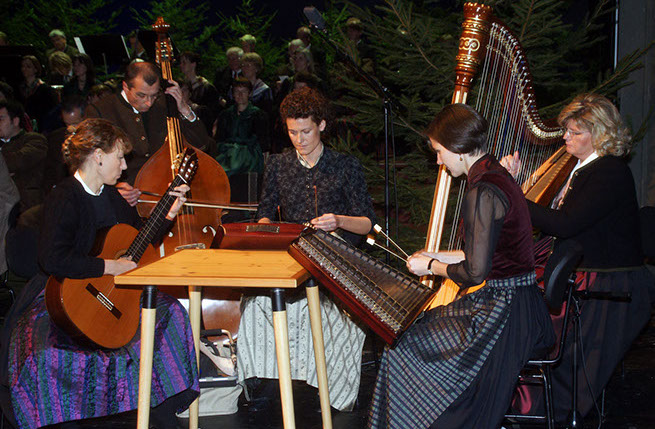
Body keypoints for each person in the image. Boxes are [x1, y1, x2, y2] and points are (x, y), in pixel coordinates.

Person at [0, 118, 198, 429]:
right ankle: (58, 416)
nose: (124, 166)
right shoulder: (64, 196)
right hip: (64, 292)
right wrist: (109, 266)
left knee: (171, 313)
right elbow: (52, 259)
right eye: (119, 157)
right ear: (98, 156)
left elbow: (137, 243)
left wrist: (167, 215)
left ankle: (157, 408)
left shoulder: (112, 196)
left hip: (112, 289)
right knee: (45, 349)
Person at [367, 104, 555, 429]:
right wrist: (435, 255)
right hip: (518, 303)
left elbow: (475, 272)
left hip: (507, 314)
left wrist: (432, 267)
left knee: (402, 351)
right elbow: (484, 253)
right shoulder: (496, 174)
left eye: (439, 152)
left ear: (457, 147)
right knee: (413, 337)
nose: (438, 160)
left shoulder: (482, 191)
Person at [501, 93, 655, 422]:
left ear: (599, 134)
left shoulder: (609, 173)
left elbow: (565, 224)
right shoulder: (585, 168)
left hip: (610, 282)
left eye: (575, 132)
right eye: (566, 131)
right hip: (586, 270)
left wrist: (514, 193)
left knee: (546, 331)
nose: (566, 138)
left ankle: (539, 410)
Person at [237, 86, 376, 411]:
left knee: (330, 313)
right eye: (292, 132)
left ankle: (327, 389)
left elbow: (368, 223)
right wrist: (265, 225)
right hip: (293, 253)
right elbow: (266, 210)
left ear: (322, 125)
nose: (299, 139)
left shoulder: (345, 166)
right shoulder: (280, 165)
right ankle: (269, 380)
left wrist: (338, 220)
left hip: (336, 255)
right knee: (257, 304)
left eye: (306, 131)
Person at [84, 61, 213, 204]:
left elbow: (201, 144)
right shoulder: (101, 110)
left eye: (153, 95)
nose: (148, 102)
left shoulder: (164, 103)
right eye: (141, 95)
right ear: (126, 87)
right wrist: (114, 188)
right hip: (127, 198)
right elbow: (89, 163)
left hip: (166, 192)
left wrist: (183, 108)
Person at [213, 77, 269, 178]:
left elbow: (263, 141)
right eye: (237, 91)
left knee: (234, 164)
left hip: (249, 154)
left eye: (244, 91)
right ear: (233, 94)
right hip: (227, 152)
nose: (240, 95)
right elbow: (219, 139)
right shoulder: (225, 114)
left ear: (250, 93)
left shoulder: (258, 115)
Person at [0, 100, 47, 218]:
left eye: (1, 119)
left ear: (15, 121)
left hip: (25, 206)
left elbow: (20, 160)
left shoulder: (34, 140)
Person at [179, 51, 220, 134]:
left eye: (184, 63)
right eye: (181, 63)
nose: (181, 65)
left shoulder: (206, 87)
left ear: (193, 64)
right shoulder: (181, 84)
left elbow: (213, 112)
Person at [17, 55, 58, 132]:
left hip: (42, 127)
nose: (24, 69)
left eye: (28, 66)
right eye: (23, 66)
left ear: (35, 69)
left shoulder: (45, 89)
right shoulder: (19, 88)